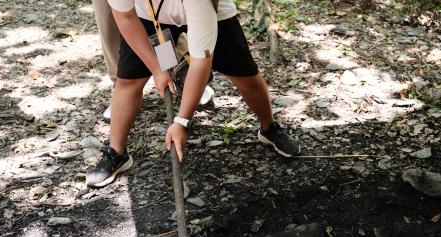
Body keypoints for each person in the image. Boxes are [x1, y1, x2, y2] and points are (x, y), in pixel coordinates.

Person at [86, 0, 300, 188]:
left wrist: (182, 121)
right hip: (147, 15)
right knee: (128, 81)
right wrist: (157, 69)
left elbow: (201, 60)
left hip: (213, 12)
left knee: (246, 76)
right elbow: (124, 16)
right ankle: (117, 153)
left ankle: (269, 128)